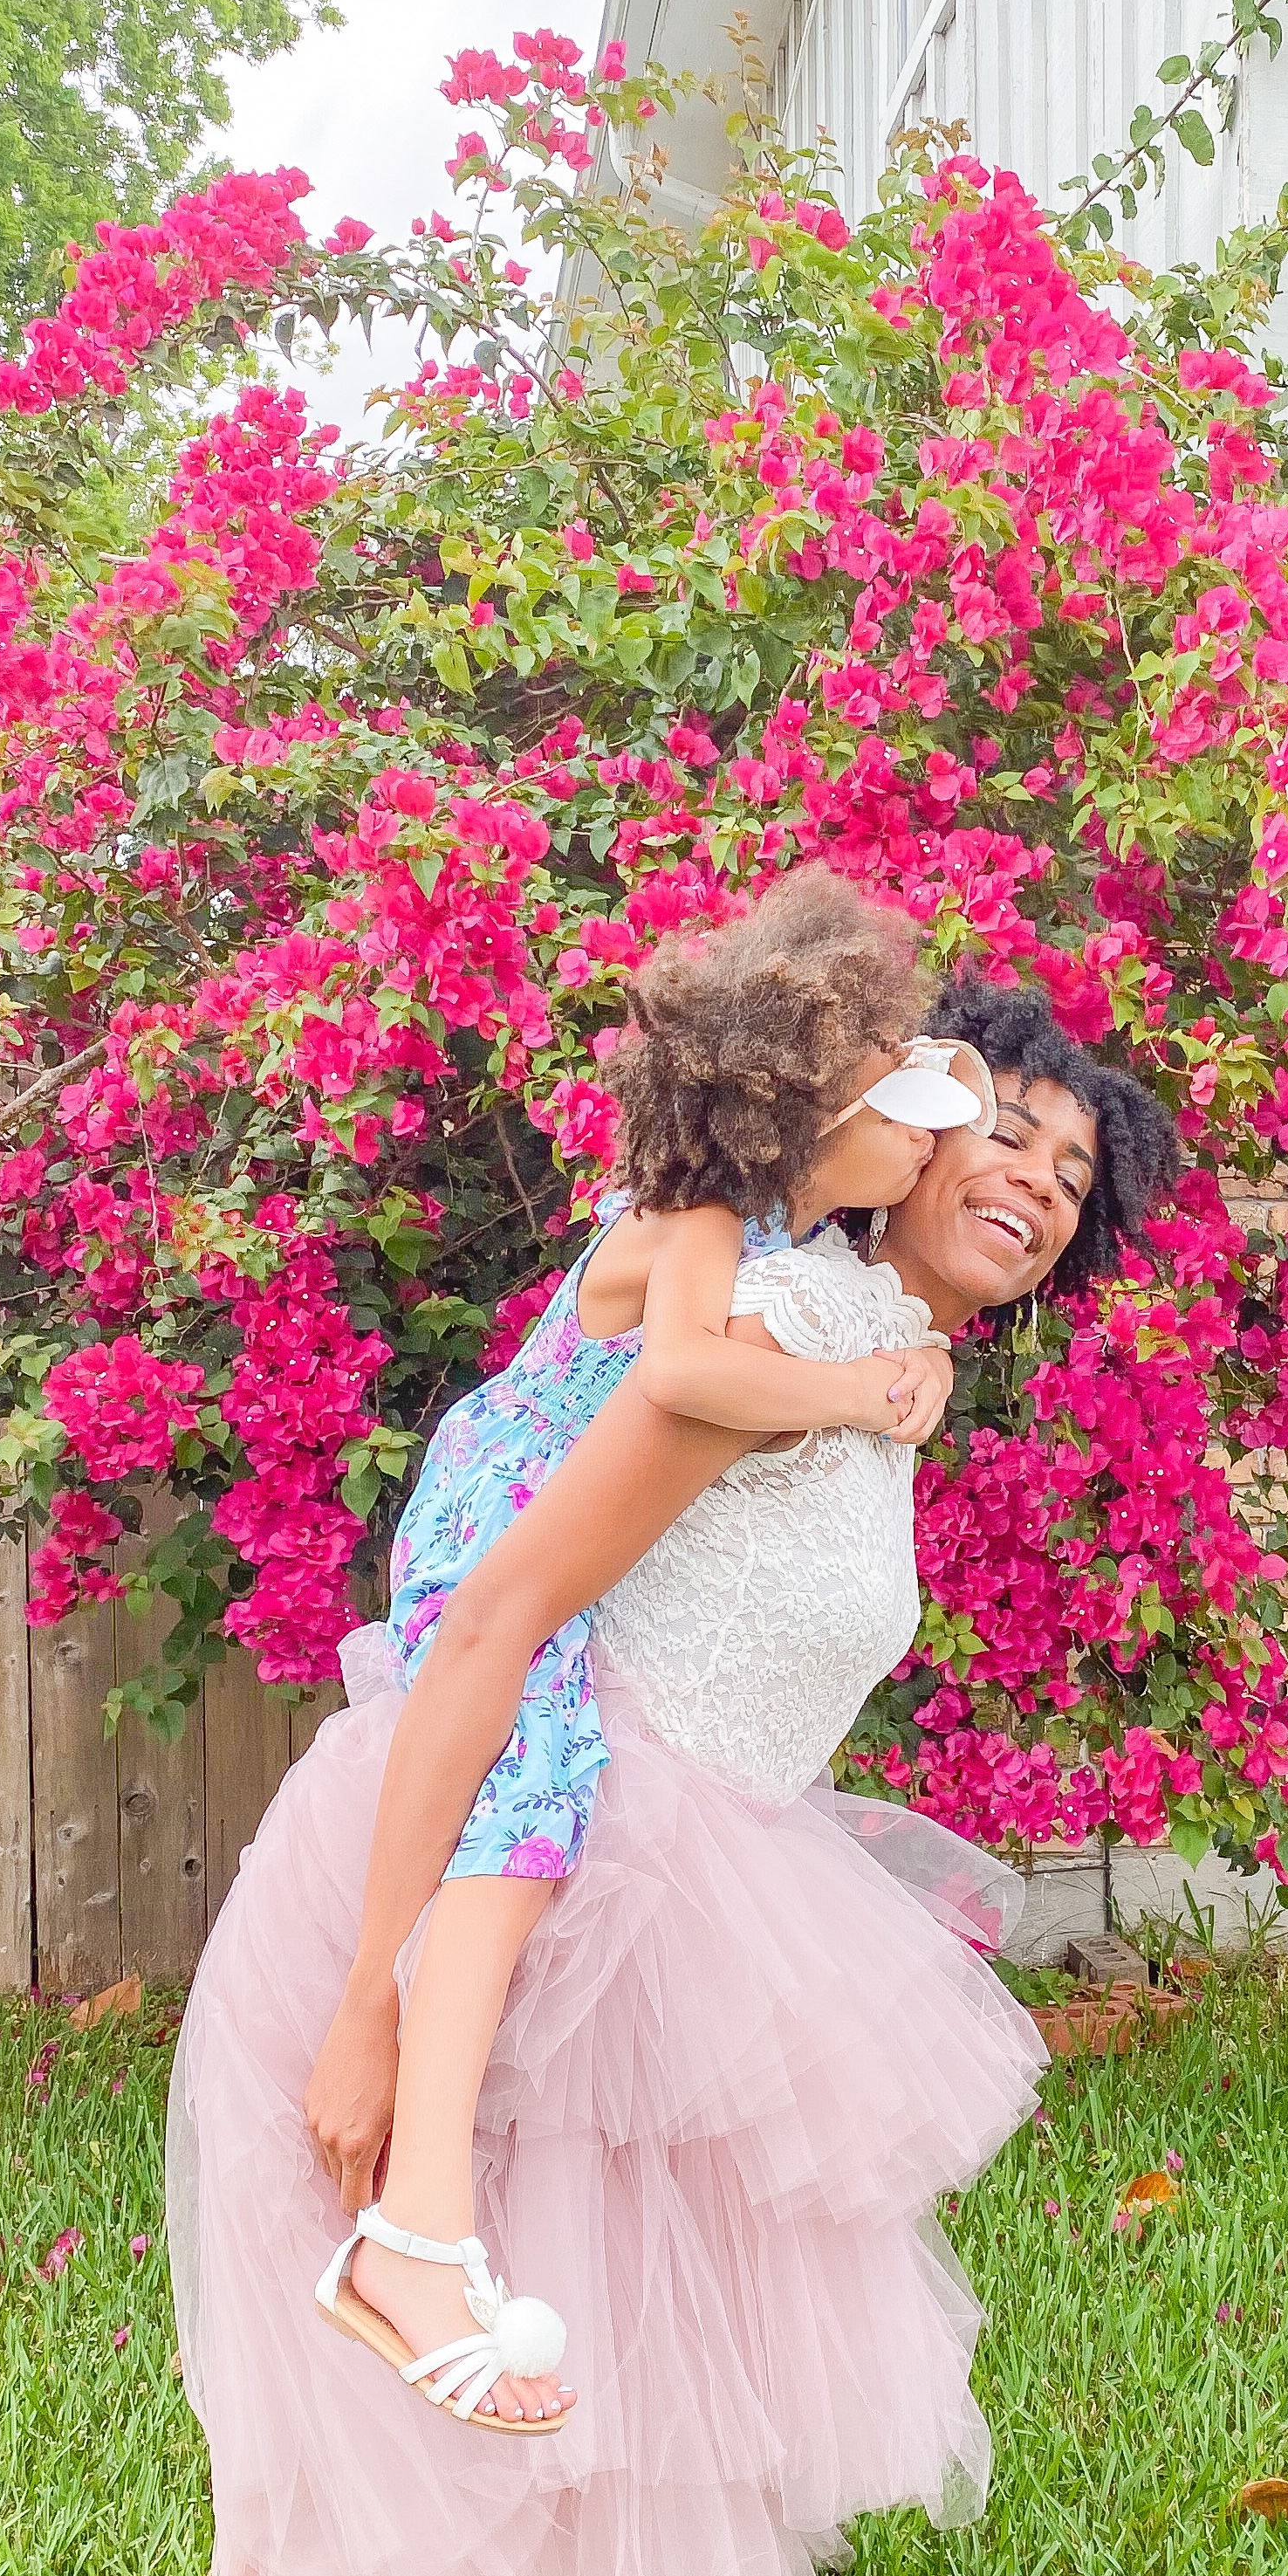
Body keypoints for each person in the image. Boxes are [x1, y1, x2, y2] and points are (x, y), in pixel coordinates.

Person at [167, 974, 1178, 2576]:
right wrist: (364, 1993)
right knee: (473, 2498)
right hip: (521, 1928)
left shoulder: (840, 1350)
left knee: (634, 2478)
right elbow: (501, 1617)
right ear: (880, 1136)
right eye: (991, 1123)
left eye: (1071, 1174)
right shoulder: (766, 1334)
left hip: (680, 1951)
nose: (1023, 1174)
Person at [334, 870, 986, 2432]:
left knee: (545, 1795)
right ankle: (412, 2235)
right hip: (495, 1514)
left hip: (527, 1504)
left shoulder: (776, 1220)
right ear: (804, 1113)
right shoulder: (701, 1220)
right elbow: (689, 1373)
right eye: (896, 1110)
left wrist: (926, 1074)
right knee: (537, 1787)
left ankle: (421, 2231)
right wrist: (865, 1385)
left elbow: (946, 1085)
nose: (936, 1147)